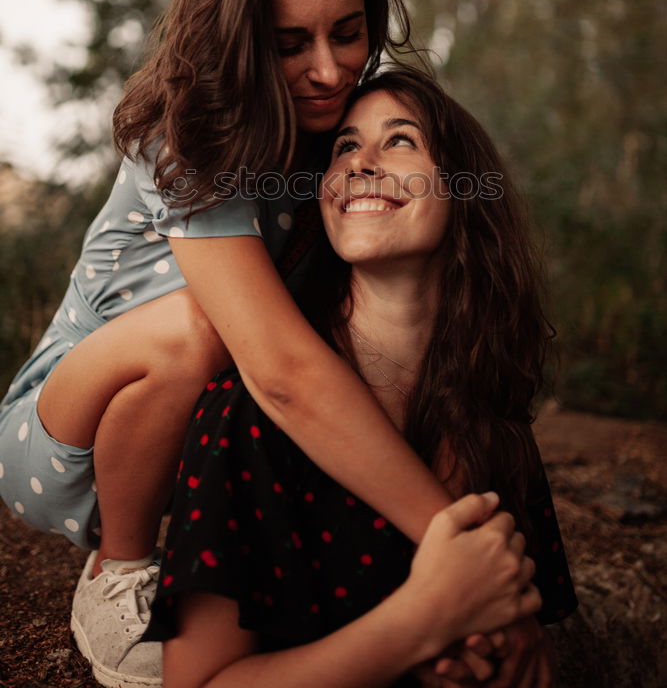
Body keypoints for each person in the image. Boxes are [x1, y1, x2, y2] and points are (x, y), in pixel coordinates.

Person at [0, 0, 476, 688]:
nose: (329, 71)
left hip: (206, 427)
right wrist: (454, 549)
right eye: (291, 44)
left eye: (349, 33)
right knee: (207, 326)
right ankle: (116, 576)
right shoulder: (188, 134)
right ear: (239, 37)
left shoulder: (333, 133)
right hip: (69, 429)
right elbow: (281, 371)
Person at [144, 68, 577, 688]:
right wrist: (419, 625)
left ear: (464, 190)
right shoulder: (246, 410)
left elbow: (531, 647)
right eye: (344, 146)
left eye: (400, 140)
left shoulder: (495, 422)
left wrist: (480, 661)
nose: (359, 164)